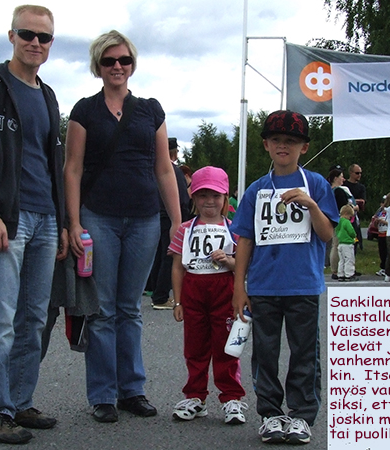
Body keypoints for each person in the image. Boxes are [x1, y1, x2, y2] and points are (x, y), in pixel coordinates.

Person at [0, 5, 66, 444]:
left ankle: (19, 402)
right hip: (4, 219)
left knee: (34, 319)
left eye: (44, 37)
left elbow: (53, 163)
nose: (35, 43)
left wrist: (61, 221)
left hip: (45, 219)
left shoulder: (48, 94)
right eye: (27, 34)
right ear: (11, 36)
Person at [64, 30, 181, 423]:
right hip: (99, 217)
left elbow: (163, 168)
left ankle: (132, 389)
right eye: (109, 60)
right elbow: (72, 169)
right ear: (97, 65)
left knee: (130, 308)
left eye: (124, 60)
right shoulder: (84, 110)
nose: (117, 66)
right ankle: (103, 394)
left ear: (132, 65)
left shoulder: (150, 110)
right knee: (102, 309)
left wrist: (177, 220)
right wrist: (74, 222)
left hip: (144, 219)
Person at [231, 110, 338, 445]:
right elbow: (245, 239)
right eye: (276, 140)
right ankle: (270, 414)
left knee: (304, 352)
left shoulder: (317, 184)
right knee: (264, 353)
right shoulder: (256, 190)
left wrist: (312, 206)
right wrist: (238, 287)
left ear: (303, 147)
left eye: (291, 141)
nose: (283, 146)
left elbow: (326, 235)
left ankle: (301, 415)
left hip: (303, 284)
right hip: (263, 286)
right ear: (266, 144)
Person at [169, 166, 247, 425]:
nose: (209, 201)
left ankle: (232, 397)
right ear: (193, 197)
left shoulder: (234, 229)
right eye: (203, 195)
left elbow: (242, 266)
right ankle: (195, 396)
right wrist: (178, 301)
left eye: (215, 195)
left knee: (227, 346)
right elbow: (178, 266)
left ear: (225, 198)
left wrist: (229, 260)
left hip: (224, 290)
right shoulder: (185, 229)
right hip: (194, 290)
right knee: (195, 347)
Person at [145, 137, 191, 309]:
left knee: (158, 255)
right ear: (174, 153)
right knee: (170, 256)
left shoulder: (152, 170)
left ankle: (153, 288)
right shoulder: (173, 172)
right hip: (171, 217)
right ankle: (161, 296)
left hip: (156, 215)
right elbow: (183, 199)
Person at [327, 168, 358, 280]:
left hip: (333, 220)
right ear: (336, 178)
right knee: (337, 245)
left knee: (336, 245)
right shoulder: (338, 191)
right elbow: (344, 207)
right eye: (341, 177)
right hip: (339, 221)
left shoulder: (329, 191)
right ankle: (338, 270)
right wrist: (353, 208)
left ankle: (339, 270)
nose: (343, 179)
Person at [343, 164, 366, 249]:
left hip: (354, 216)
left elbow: (362, 201)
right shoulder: (344, 185)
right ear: (351, 173)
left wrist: (352, 201)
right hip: (344, 215)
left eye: (360, 173)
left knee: (355, 236)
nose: (359, 175)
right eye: (357, 173)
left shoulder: (361, 187)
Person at [336, 204, 358, 281]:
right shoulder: (346, 222)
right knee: (349, 259)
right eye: (350, 216)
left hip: (340, 243)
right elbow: (351, 231)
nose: (350, 218)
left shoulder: (338, 221)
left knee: (341, 260)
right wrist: (354, 235)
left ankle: (340, 274)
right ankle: (349, 274)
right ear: (346, 214)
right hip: (347, 243)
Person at [372, 195, 388, 277]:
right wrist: (376, 221)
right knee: (382, 252)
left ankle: (388, 268)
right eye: (383, 203)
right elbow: (375, 224)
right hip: (381, 233)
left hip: (387, 234)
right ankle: (383, 267)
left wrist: (383, 221)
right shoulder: (379, 213)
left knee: (388, 252)